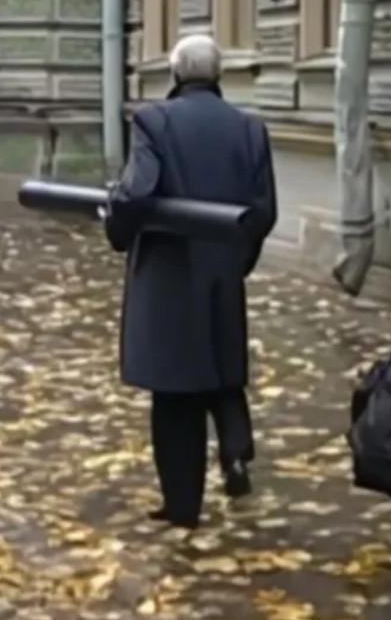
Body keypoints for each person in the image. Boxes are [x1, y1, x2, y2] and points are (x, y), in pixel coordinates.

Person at [104, 33, 278, 529]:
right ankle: (236, 450)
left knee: (174, 392)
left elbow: (137, 191)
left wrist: (117, 229)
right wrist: (237, 259)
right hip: (222, 273)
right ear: (218, 75)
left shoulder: (154, 121)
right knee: (221, 367)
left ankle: (182, 505)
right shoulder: (249, 128)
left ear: (176, 74)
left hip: (169, 276)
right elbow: (263, 210)